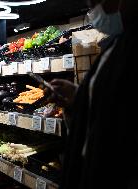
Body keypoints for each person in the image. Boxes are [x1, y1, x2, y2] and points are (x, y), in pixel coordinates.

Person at [47, 0, 138, 189]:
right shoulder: (117, 44)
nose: (93, 11)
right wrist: (78, 96)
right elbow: (110, 104)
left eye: (94, 3)